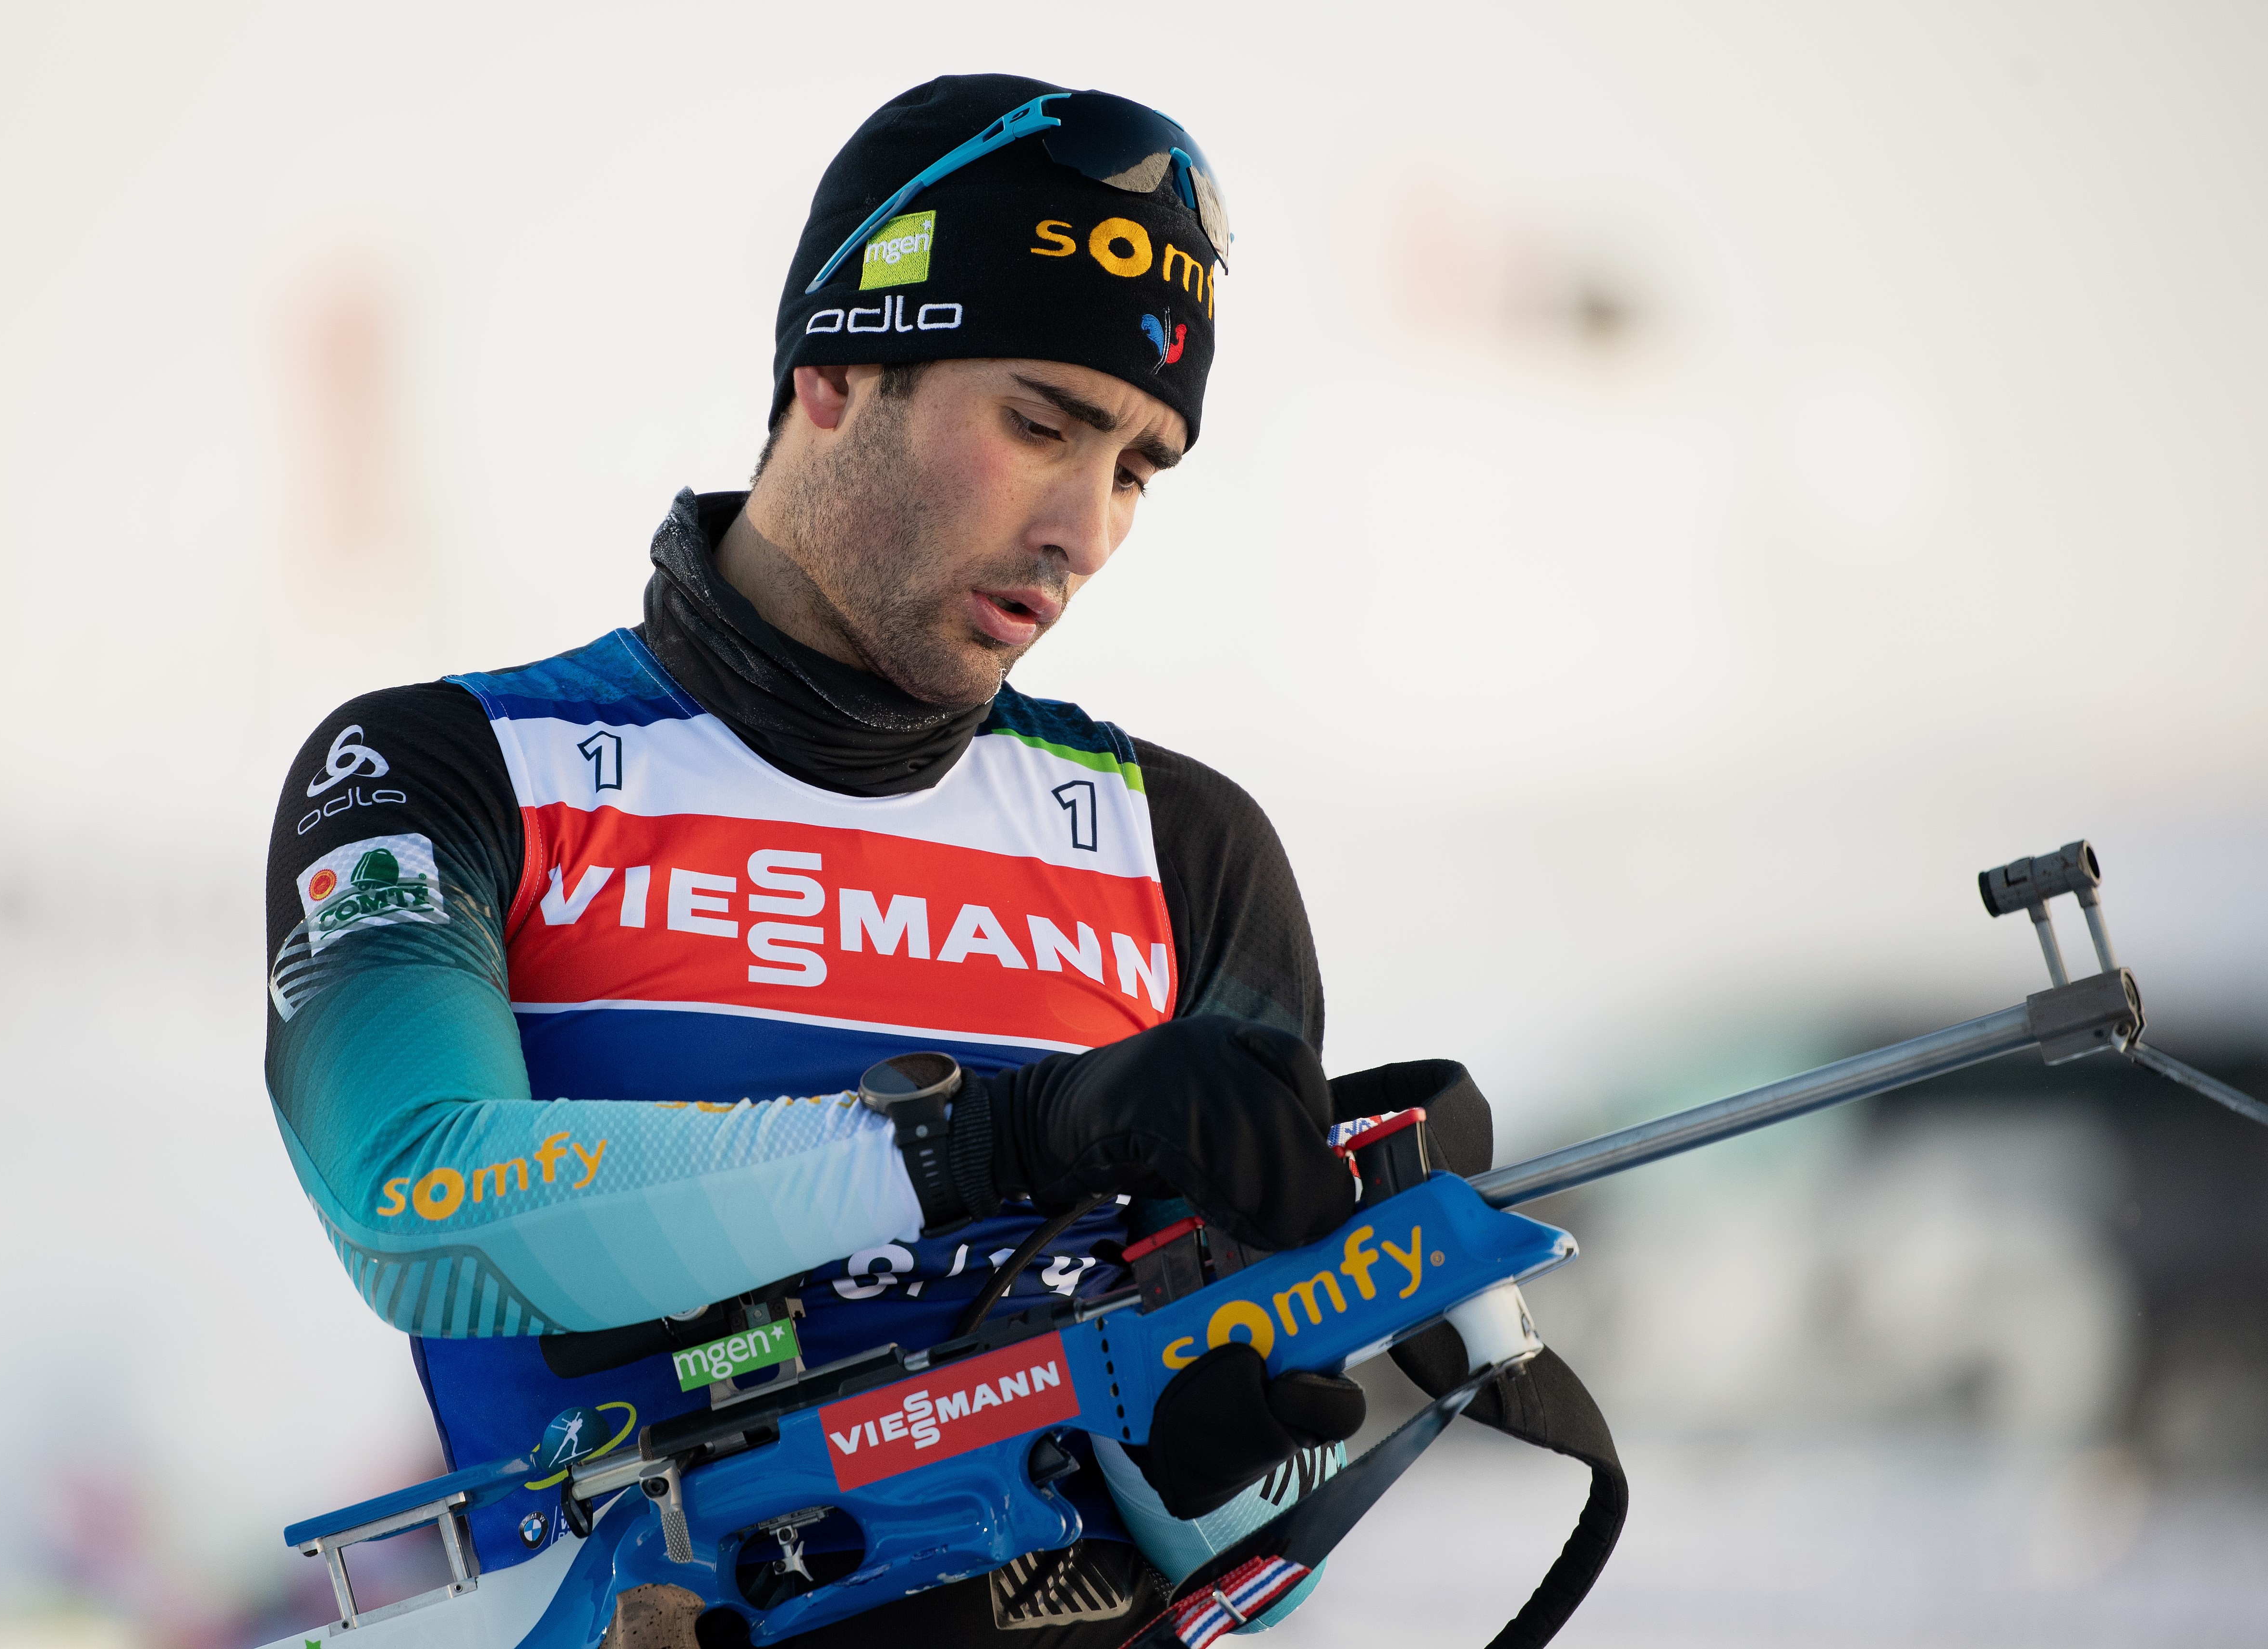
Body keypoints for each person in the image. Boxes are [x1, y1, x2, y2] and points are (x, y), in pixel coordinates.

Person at [263, 73, 1489, 1647]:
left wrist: (1255, 1450)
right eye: (1040, 423)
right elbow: (417, 1196)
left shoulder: (1179, 848)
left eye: (1133, 466)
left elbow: (1256, 1525)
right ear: (837, 370)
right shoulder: (445, 768)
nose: (1086, 528)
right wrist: (979, 1143)